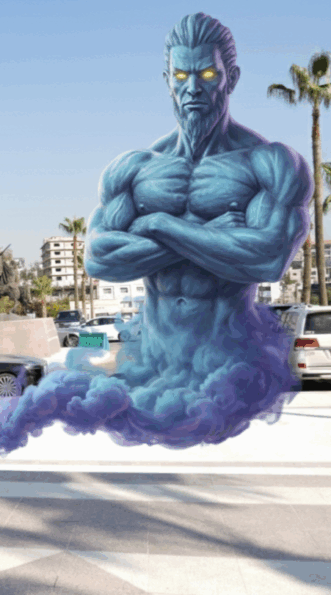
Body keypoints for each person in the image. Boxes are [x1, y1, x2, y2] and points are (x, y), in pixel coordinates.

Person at [85, 12, 312, 418]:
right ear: (167, 80)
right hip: (151, 370)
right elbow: (99, 257)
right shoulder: (135, 167)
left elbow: (268, 258)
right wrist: (209, 237)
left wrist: (159, 224)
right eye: (181, 75)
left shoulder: (269, 162)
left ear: (231, 78)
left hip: (230, 374)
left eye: (207, 74)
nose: (192, 88)